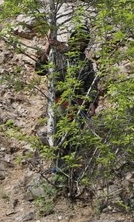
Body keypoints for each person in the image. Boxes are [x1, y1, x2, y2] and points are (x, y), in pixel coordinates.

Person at [35, 27, 99, 174]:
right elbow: (40, 69)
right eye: (78, 39)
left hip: (78, 103)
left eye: (84, 40)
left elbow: (92, 84)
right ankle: (58, 166)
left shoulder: (86, 63)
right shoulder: (58, 55)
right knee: (59, 132)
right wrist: (49, 47)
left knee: (74, 136)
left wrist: (92, 103)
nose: (80, 43)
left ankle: (70, 168)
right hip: (59, 100)